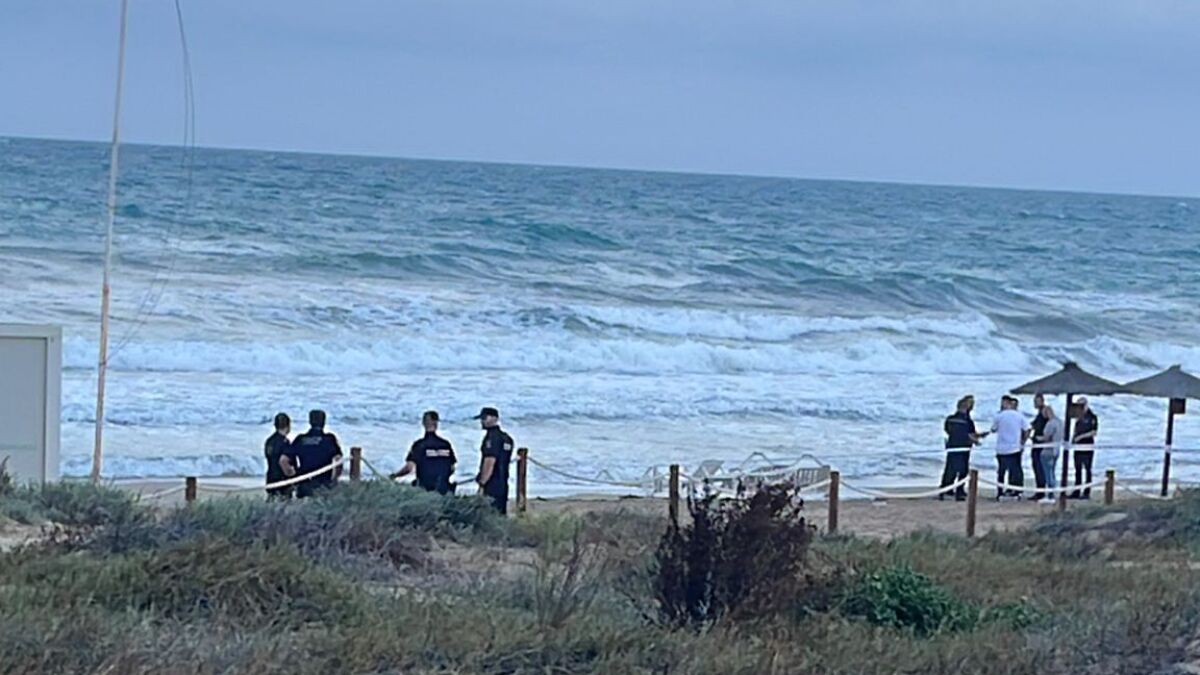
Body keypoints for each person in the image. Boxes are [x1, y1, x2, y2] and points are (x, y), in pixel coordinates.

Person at [390, 410, 457, 495]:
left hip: (425, 490)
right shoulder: (446, 445)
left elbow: (409, 468)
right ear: (436, 424)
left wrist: (394, 476)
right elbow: (452, 469)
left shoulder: (419, 445)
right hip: (444, 489)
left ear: (424, 423)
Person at [285, 409, 343, 499]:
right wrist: (335, 479)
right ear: (324, 422)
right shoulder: (329, 439)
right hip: (323, 485)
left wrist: (292, 476)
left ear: (310, 422)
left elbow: (285, 459)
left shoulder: (300, 439)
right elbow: (338, 460)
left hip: (304, 484)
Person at [940, 395, 985, 501]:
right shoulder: (968, 421)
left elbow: (948, 431)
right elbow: (970, 435)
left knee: (950, 469)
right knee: (962, 470)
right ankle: (959, 491)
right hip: (963, 447)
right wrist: (977, 439)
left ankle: (946, 489)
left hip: (952, 446)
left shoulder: (950, 419)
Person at [473, 406, 514, 514]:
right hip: (503, 482)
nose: (482, 421)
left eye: (485, 418)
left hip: (492, 484)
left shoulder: (491, 438)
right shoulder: (507, 438)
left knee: (488, 514)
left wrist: (482, 483)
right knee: (500, 513)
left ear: (495, 418)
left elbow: (490, 461)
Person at [991, 396, 1030, 500]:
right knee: (1015, 470)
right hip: (1014, 448)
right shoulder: (1019, 416)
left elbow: (993, 429)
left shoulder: (999, 416)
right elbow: (1027, 429)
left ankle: (1000, 492)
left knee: (1001, 472)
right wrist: (1022, 442)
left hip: (1002, 448)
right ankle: (1016, 491)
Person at [1071, 397, 1099, 499]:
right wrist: (1074, 438)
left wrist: (1081, 437)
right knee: (1077, 469)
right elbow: (1076, 430)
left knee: (1087, 469)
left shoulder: (1092, 417)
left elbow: (1094, 432)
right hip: (1078, 446)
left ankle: (1087, 492)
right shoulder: (1079, 417)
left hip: (1087, 445)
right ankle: (1077, 490)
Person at [263, 412, 293, 500]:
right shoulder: (285, 442)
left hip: (270, 476)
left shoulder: (269, 441)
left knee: (272, 500)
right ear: (288, 426)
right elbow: (283, 461)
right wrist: (291, 474)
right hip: (281, 479)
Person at [1036, 405, 1063, 501]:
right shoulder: (1060, 422)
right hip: (1056, 449)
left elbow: (1047, 437)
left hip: (1048, 450)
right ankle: (1052, 492)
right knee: (1052, 471)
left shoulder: (1050, 424)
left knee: (1048, 472)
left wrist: (1038, 438)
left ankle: (1050, 494)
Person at [1028, 394, 1048, 500]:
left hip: (1041, 444)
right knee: (1036, 466)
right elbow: (1034, 425)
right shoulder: (1039, 414)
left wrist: (1044, 437)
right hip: (1036, 443)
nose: (1035, 403)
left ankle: (1041, 491)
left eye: (1037, 401)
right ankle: (1039, 489)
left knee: (1040, 467)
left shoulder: (1045, 412)